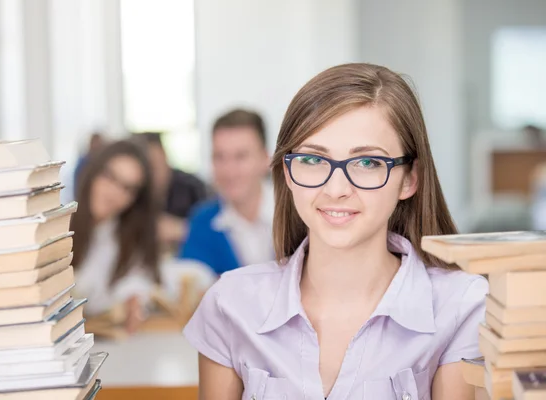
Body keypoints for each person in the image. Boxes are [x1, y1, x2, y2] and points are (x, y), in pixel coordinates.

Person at [183, 64, 488, 399]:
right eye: (313, 160)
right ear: (286, 171)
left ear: (409, 179)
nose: (336, 189)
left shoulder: (460, 306)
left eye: (368, 163)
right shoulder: (230, 304)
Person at [71, 140, 160, 334]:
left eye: (127, 188)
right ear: (93, 172)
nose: (114, 193)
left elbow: (136, 281)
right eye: (110, 177)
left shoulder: (126, 242)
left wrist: (134, 297)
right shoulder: (54, 227)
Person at [179, 109, 274, 275]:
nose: (229, 171)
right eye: (220, 157)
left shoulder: (299, 215)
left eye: (241, 157)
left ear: (266, 159)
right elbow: (190, 282)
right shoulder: (202, 222)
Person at [130, 132, 210, 249]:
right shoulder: (133, 192)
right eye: (146, 169)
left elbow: (215, 228)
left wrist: (181, 228)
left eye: (155, 166)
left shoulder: (193, 187)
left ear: (165, 156)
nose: (152, 175)